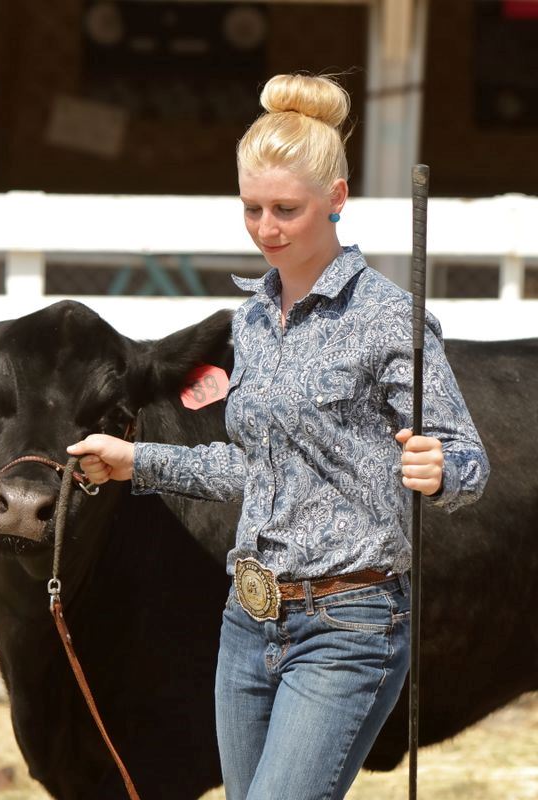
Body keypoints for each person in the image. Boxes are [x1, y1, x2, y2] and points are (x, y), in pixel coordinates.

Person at [68, 73, 489, 800]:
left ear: (337, 198)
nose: (267, 227)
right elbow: (251, 469)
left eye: (286, 209)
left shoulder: (390, 320)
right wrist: (135, 460)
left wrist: (439, 467)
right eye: (253, 208)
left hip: (349, 625)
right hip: (247, 616)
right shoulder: (253, 322)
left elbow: (468, 460)